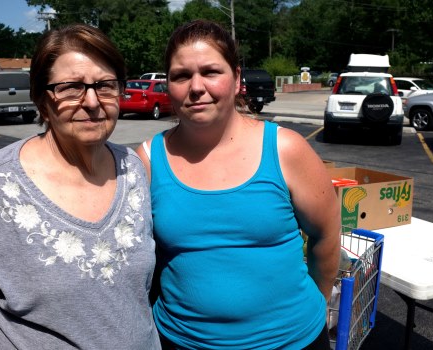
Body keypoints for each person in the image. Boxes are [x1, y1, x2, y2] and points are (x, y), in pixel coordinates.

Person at [0, 24, 160, 350]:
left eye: (105, 85)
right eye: (72, 87)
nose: (91, 102)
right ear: (41, 98)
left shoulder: (131, 168)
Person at [136, 20, 341, 349]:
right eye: (181, 75)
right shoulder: (147, 161)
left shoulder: (286, 149)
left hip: (293, 340)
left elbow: (326, 236)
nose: (196, 87)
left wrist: (312, 307)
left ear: (237, 80)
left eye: (211, 71)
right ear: (169, 86)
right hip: (182, 341)